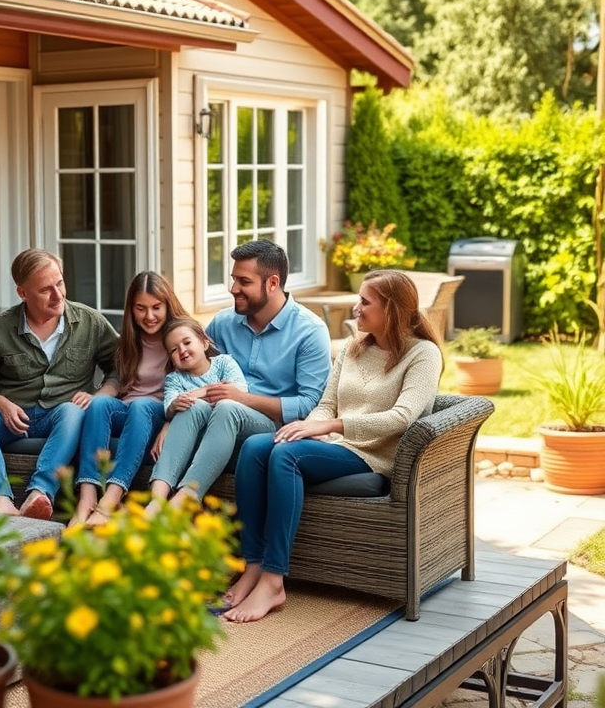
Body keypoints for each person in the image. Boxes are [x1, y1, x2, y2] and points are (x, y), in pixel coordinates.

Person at [222, 269, 443, 622]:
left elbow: (402, 418)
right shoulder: (354, 348)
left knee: (284, 456)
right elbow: (326, 403)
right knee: (255, 448)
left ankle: (274, 579)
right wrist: (309, 427)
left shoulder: (423, 354)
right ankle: (254, 564)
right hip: (335, 444)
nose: (357, 308)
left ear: (392, 309)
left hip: (374, 454)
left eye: (365, 301)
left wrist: (333, 425)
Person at [146, 240, 331, 510]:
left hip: (271, 425)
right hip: (215, 415)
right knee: (204, 406)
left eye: (243, 281)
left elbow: (309, 404)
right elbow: (192, 372)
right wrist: (170, 419)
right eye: (233, 279)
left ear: (272, 283)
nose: (233, 289)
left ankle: (187, 498)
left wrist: (242, 398)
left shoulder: (310, 331)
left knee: (228, 407)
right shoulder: (223, 323)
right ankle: (155, 503)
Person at [0, 249, 119, 518]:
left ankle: (40, 493)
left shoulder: (90, 322)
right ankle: (1, 499)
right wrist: (0, 403)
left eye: (60, 283)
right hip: (12, 420)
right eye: (46, 289)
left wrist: (102, 393)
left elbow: (121, 367)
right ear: (23, 293)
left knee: (72, 411)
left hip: (61, 416)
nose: (58, 295)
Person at [71, 272, 190, 526]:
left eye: (157, 307)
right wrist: (95, 396)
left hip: (159, 411)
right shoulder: (128, 339)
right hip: (128, 411)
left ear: (168, 305)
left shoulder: (183, 336)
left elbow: (200, 382)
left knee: (142, 405)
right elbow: (117, 380)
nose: (149, 316)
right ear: (131, 309)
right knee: (100, 404)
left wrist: (172, 424)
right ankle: (87, 496)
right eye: (141, 308)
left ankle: (111, 498)